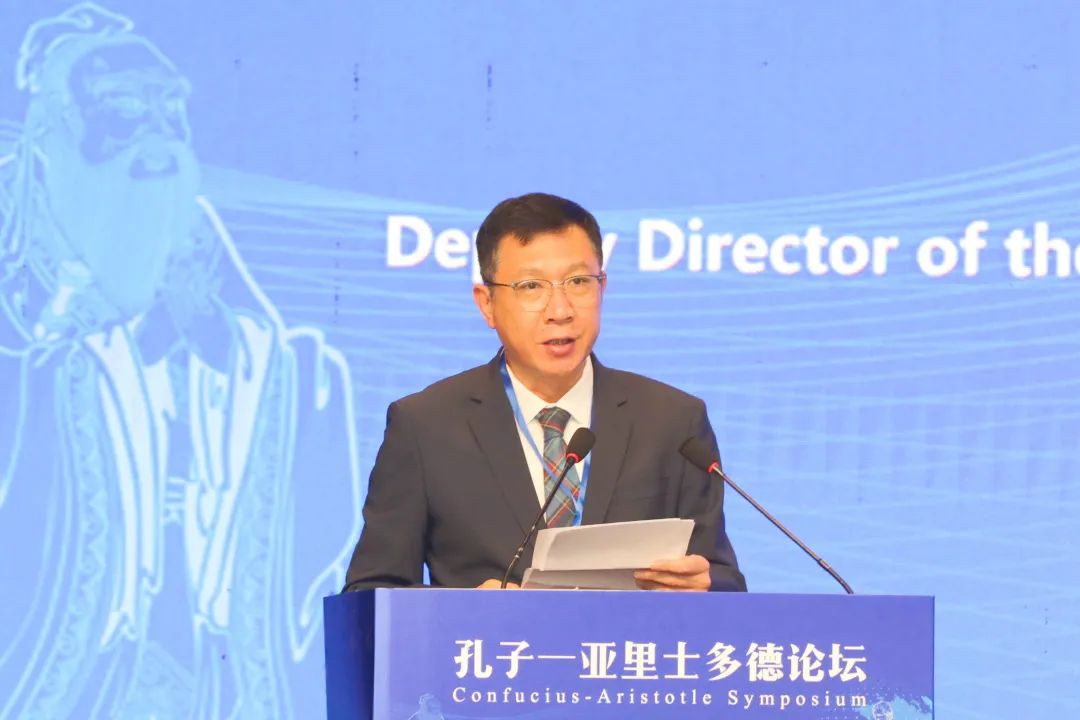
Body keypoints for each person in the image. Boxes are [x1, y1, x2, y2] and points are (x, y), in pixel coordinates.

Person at [0, 4, 362, 717]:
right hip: (65, 658)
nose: (157, 138)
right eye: (123, 113)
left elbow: (264, 360)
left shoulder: (194, 242)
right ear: (51, 136)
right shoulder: (22, 269)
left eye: (169, 111)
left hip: (208, 655)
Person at [344, 192, 745, 592]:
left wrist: (704, 588)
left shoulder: (672, 422)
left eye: (578, 282)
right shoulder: (425, 427)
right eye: (531, 286)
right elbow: (369, 592)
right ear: (487, 304)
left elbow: (724, 581)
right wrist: (461, 609)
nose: (560, 310)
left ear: (602, 288)